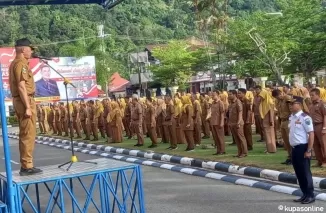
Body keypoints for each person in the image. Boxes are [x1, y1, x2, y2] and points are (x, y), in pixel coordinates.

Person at [8, 38, 42, 176]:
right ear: (23, 49)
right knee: (28, 133)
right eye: (30, 49)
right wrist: (28, 106)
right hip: (24, 100)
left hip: (24, 100)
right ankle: (26, 166)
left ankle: (27, 164)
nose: (31, 51)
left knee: (29, 132)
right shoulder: (20, 64)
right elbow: (22, 86)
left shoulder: (19, 63)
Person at [287, 96, 315, 204]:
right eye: (289, 104)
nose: (290, 106)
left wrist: (309, 150)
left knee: (305, 172)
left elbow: (311, 133)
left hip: (303, 147)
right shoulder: (292, 117)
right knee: (299, 172)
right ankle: (304, 194)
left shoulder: (305, 118)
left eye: (292, 104)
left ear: (299, 104)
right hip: (294, 148)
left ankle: (310, 195)